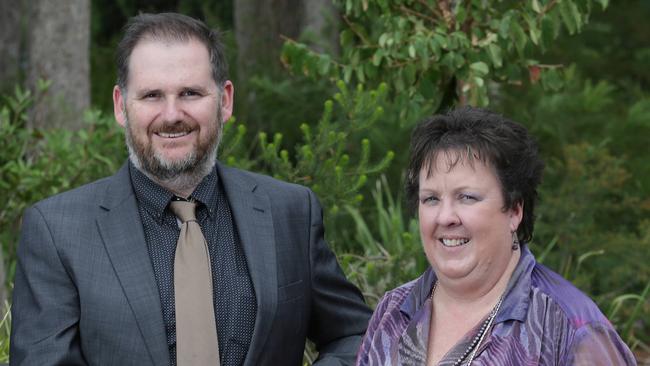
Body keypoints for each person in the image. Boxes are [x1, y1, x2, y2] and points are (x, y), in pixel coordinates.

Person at [10, 12, 371, 366]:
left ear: (225, 100)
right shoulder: (58, 231)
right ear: (121, 106)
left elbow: (356, 335)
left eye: (190, 93)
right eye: (152, 95)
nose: (171, 114)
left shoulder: (289, 212)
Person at [356, 107, 636, 365]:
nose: (445, 217)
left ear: (514, 210)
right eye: (431, 199)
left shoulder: (570, 328)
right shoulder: (393, 311)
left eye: (466, 197)